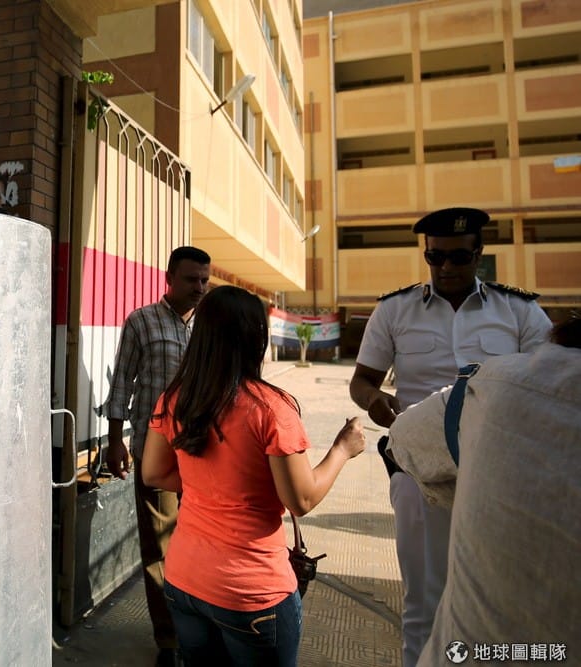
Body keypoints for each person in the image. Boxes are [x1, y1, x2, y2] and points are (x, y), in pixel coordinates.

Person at [348, 206, 552, 667]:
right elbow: (362, 380)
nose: (445, 267)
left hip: (498, 468)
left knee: (497, 591)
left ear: (478, 254)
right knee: (424, 597)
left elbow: (551, 378)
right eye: (435, 257)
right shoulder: (395, 309)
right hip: (418, 469)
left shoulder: (519, 311)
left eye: (458, 257)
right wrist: (374, 399)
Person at [142, 286, 366, 666]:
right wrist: (343, 449)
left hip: (184, 581)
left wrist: (212, 485)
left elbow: (153, 472)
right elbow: (302, 499)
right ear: (256, 338)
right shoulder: (271, 408)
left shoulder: (175, 398)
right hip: (251, 593)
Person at [385, 316, 581, 666]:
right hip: (421, 481)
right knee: (420, 602)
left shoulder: (500, 377)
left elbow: (404, 440)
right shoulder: (397, 310)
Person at [101, 246, 209, 666]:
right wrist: (114, 440)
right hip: (154, 454)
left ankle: (198, 633)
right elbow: (122, 384)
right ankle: (170, 641)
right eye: (191, 279)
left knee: (201, 547)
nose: (199, 288)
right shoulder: (141, 321)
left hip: (203, 456)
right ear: (169, 278)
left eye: (204, 280)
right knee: (160, 548)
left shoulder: (209, 328)